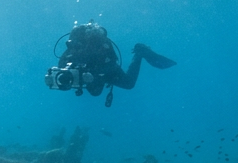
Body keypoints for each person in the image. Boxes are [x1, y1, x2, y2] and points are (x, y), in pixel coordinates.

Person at [44, 20, 176, 106]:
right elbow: (63, 70)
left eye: (78, 44)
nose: (77, 47)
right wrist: (59, 80)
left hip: (104, 70)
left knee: (129, 84)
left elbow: (112, 63)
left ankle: (140, 52)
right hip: (92, 76)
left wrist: (95, 74)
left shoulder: (102, 46)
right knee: (95, 93)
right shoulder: (70, 52)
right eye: (72, 44)